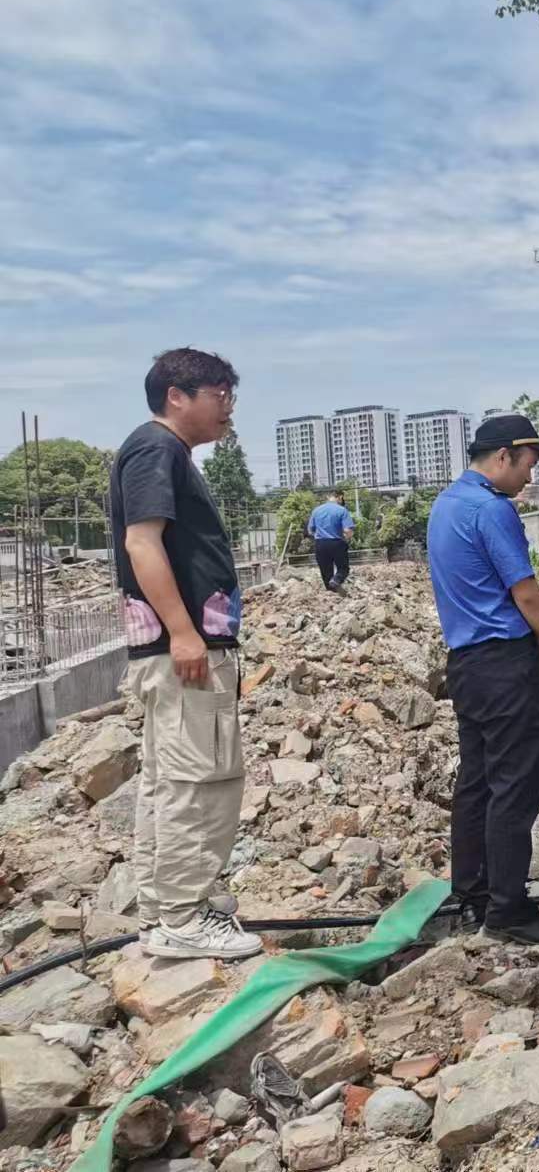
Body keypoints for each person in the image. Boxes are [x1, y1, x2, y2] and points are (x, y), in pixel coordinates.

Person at [110, 347, 261, 960]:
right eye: (220, 394)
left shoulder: (163, 452)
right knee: (202, 779)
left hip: (180, 649)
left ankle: (163, 911)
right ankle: (182, 918)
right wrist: (184, 632)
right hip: (183, 652)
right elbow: (142, 543)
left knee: (171, 781)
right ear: (179, 394)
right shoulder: (156, 448)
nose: (228, 408)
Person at [427, 414, 539, 945]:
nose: (531, 476)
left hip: (466, 665)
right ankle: (509, 909)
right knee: (516, 786)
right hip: (506, 664)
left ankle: (472, 891)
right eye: (530, 464)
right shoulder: (492, 509)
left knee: (478, 781)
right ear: (505, 455)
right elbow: (525, 591)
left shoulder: (446, 504)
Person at [308, 490, 356, 591]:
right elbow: (348, 530)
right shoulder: (342, 510)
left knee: (326, 572)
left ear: (328, 497)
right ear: (339, 497)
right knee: (343, 569)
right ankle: (336, 580)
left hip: (320, 544)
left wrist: (320, 534)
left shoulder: (316, 510)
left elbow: (310, 530)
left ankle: (331, 593)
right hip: (336, 543)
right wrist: (348, 537)